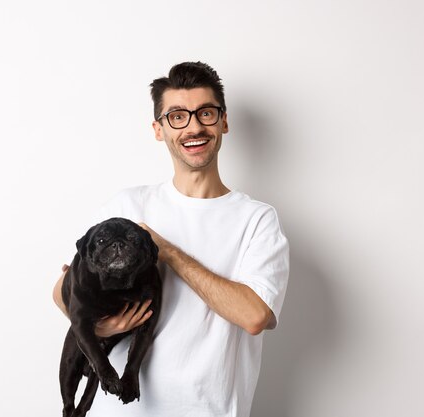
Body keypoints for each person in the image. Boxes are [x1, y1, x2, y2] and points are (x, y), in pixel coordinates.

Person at [52, 61, 289, 417]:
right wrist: (100, 325)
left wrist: (169, 253)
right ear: (159, 129)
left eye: (205, 113)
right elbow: (61, 291)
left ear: (223, 121)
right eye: (177, 116)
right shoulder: (127, 204)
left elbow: (255, 316)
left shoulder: (256, 219)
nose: (193, 126)